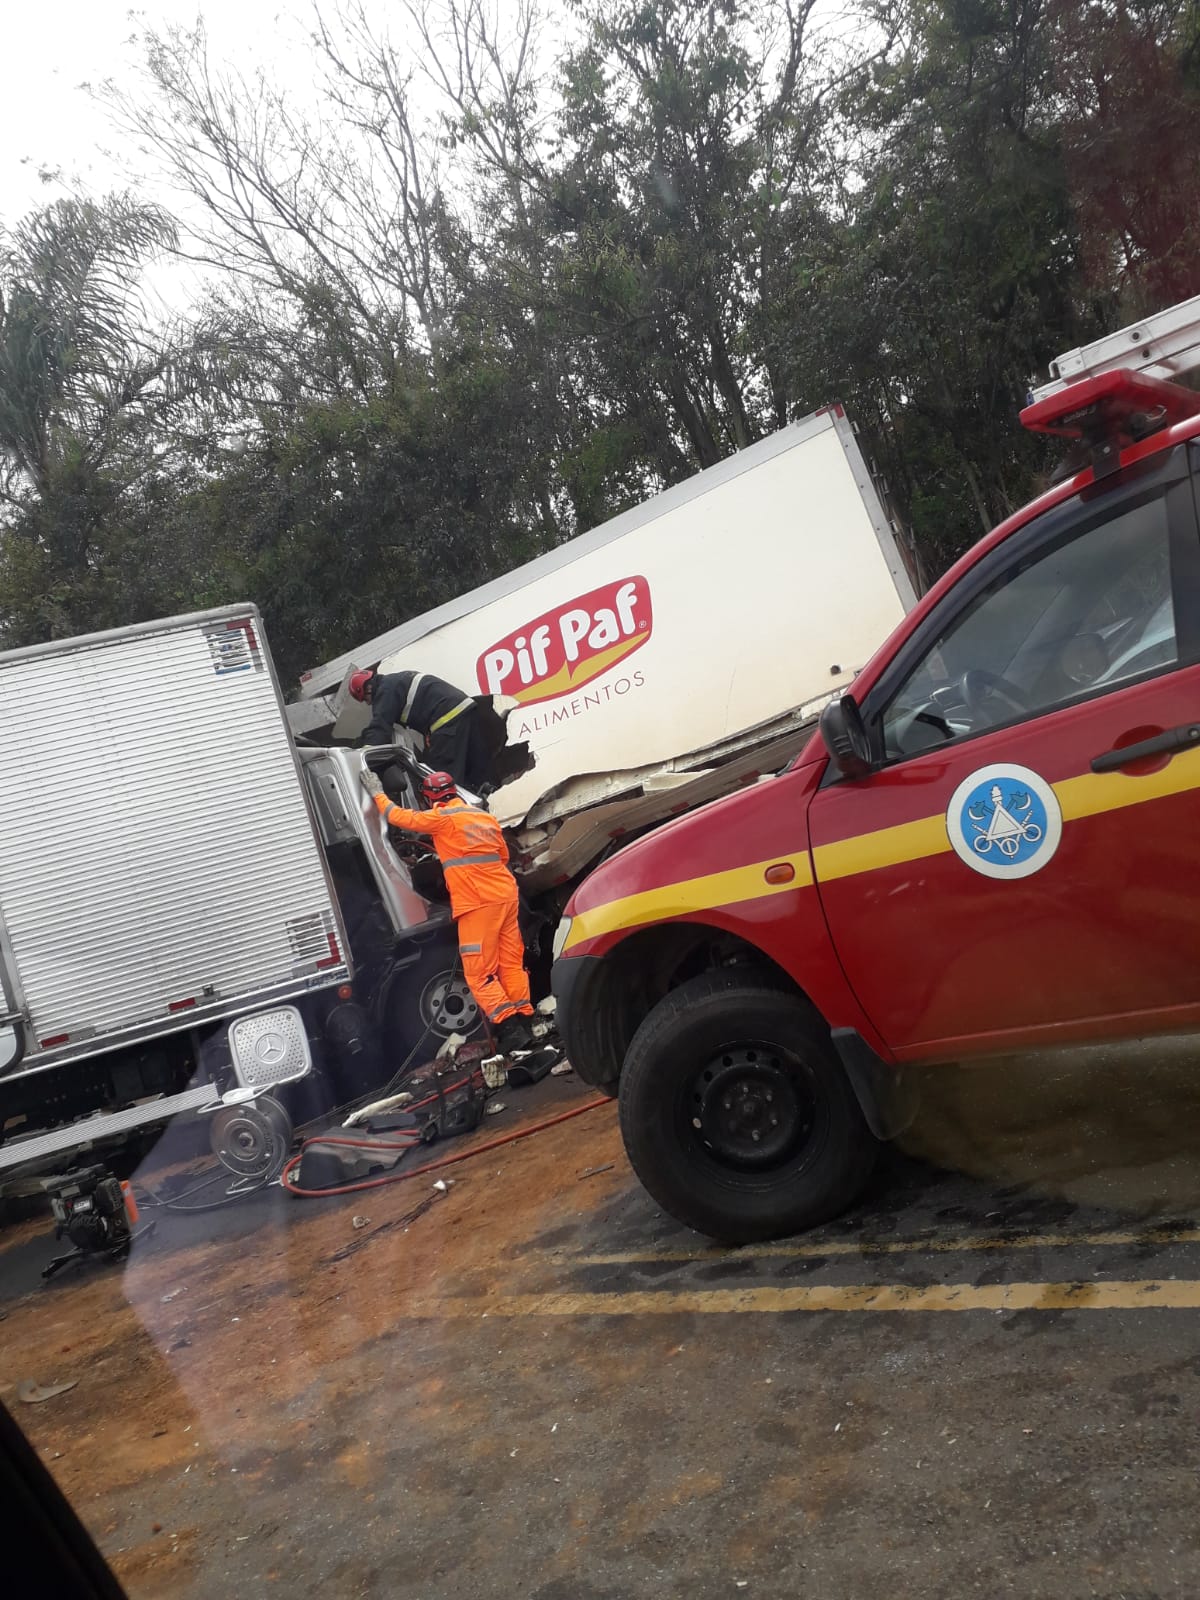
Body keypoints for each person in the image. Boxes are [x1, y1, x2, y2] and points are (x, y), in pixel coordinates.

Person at [359, 766, 535, 1053]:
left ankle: (509, 1027)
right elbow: (502, 856)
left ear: (430, 799)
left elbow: (398, 817)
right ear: (453, 791)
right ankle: (525, 1020)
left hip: (477, 904)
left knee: (478, 973)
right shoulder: (483, 817)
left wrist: (378, 793)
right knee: (510, 964)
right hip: (506, 896)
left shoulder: (442, 818)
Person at [349, 668, 492, 793]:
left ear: (367, 689)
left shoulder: (384, 692)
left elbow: (380, 728)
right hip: (466, 709)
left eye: (365, 699)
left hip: (448, 719)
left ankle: (455, 811)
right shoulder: (395, 682)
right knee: (476, 770)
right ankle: (487, 796)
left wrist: (364, 757)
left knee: (441, 780)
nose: (369, 703)